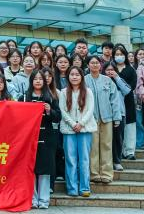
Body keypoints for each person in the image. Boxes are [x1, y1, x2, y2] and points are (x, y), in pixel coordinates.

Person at [19, 70, 61, 209]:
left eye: (40, 79)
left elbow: (58, 117)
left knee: (45, 170)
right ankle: (32, 199)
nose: (38, 81)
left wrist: (49, 110)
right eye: (35, 79)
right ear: (31, 81)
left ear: (45, 81)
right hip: (29, 139)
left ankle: (44, 200)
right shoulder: (24, 97)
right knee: (30, 169)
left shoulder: (51, 97)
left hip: (47, 138)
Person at [59, 65, 96, 198]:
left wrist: (81, 123)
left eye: (77, 74)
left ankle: (85, 187)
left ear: (81, 77)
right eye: (72, 74)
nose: (74, 77)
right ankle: (72, 188)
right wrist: (73, 124)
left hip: (85, 129)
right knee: (70, 159)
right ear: (68, 77)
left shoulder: (88, 92)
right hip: (69, 130)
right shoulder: (63, 92)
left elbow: (90, 110)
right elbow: (62, 110)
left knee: (84, 159)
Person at [85, 55, 122, 183]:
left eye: (97, 63)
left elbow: (115, 100)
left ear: (100, 65)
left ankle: (106, 174)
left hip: (107, 118)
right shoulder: (84, 80)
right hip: (91, 119)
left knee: (107, 145)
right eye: (92, 63)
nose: (95, 65)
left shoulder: (107, 80)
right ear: (88, 65)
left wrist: (116, 117)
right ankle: (94, 174)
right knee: (93, 147)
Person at [103, 62, 131, 171]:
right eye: (107, 70)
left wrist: (117, 78)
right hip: (105, 115)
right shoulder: (101, 81)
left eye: (112, 70)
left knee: (118, 139)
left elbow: (127, 91)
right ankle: (106, 161)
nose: (110, 72)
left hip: (119, 114)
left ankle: (117, 161)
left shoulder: (119, 81)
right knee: (106, 139)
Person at [112, 45, 138, 161]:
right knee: (117, 126)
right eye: (117, 54)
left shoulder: (131, 70)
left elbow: (132, 86)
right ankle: (120, 151)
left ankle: (129, 151)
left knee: (130, 125)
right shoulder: (111, 69)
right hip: (114, 101)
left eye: (121, 54)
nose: (119, 56)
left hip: (128, 100)